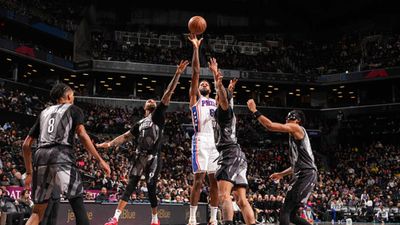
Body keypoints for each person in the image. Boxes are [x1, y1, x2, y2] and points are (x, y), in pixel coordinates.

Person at [97, 60, 189, 225]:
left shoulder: (158, 115)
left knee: (151, 187)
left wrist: (178, 74)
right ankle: (115, 218)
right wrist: (110, 144)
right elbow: (125, 137)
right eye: (149, 100)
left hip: (153, 157)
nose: (152, 100)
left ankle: (155, 219)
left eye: (154, 100)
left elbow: (168, 93)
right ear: (145, 107)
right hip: (139, 156)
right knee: (130, 186)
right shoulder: (139, 123)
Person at [22, 83, 111, 225]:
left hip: (40, 157)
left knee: (37, 212)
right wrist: (100, 160)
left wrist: (29, 172)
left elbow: (26, 145)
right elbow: (82, 134)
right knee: (77, 204)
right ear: (69, 96)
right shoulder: (74, 109)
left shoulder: (43, 113)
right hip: (61, 155)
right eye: (73, 95)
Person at [246, 100, 318, 225]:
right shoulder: (294, 136)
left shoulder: (297, 128)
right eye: (287, 118)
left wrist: (254, 111)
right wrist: (281, 174)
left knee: (285, 211)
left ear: (297, 120)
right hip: (303, 173)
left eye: (290, 118)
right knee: (292, 216)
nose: (287, 120)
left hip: (305, 174)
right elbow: (296, 165)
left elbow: (270, 126)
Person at [208, 58, 255, 225]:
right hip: (239, 155)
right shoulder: (227, 112)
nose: (217, 98)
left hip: (228, 154)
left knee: (224, 195)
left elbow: (221, 97)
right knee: (241, 200)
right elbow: (222, 98)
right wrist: (229, 88)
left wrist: (216, 78)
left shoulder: (224, 112)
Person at [187, 33, 219, 225]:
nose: (203, 83)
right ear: (198, 89)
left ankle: (213, 220)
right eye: (202, 84)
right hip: (200, 139)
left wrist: (216, 74)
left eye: (207, 83)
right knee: (198, 180)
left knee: (214, 182)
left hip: (215, 142)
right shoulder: (195, 99)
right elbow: (196, 73)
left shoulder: (216, 101)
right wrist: (196, 49)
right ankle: (192, 219)